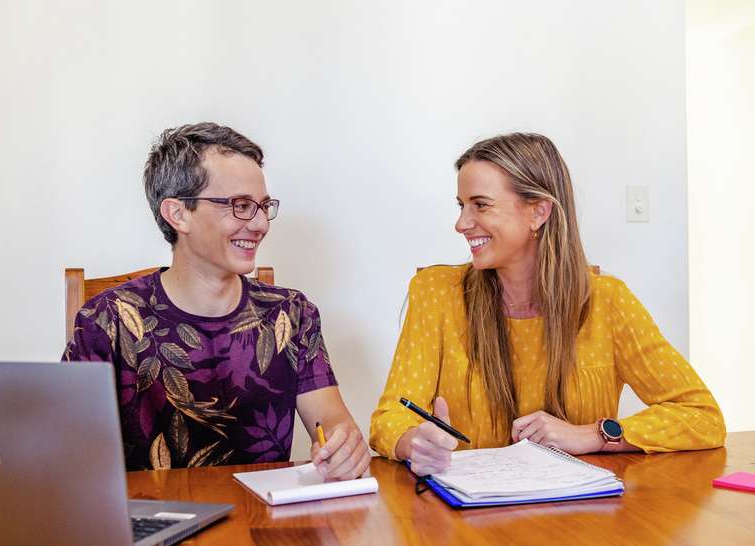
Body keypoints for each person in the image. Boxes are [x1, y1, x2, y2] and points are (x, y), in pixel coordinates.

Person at [369, 132, 725, 475]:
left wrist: (590, 435)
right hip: (466, 523)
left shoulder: (608, 301)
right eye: (462, 206)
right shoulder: (435, 293)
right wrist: (414, 442)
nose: (461, 223)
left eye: (480, 205)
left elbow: (702, 416)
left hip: (579, 522)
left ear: (539, 212)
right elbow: (389, 418)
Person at [64, 122, 370, 479]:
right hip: (151, 529)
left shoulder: (291, 314)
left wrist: (343, 446)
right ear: (178, 214)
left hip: (264, 523)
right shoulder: (107, 320)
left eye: (263, 206)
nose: (259, 224)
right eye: (240, 205)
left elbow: (330, 421)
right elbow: (66, 454)